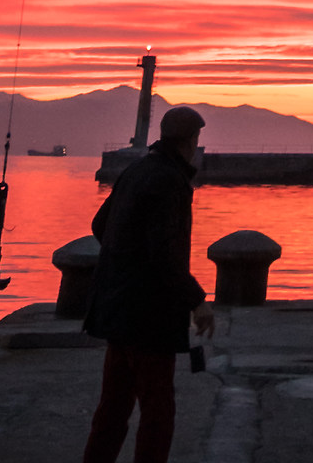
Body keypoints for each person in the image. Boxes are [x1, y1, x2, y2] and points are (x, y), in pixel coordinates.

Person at [81, 104, 213, 463]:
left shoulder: (136, 170)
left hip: (116, 311)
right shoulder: (171, 181)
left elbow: (99, 225)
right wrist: (197, 301)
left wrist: (125, 261)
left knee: (113, 409)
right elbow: (165, 255)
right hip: (149, 319)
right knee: (158, 412)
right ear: (190, 140)